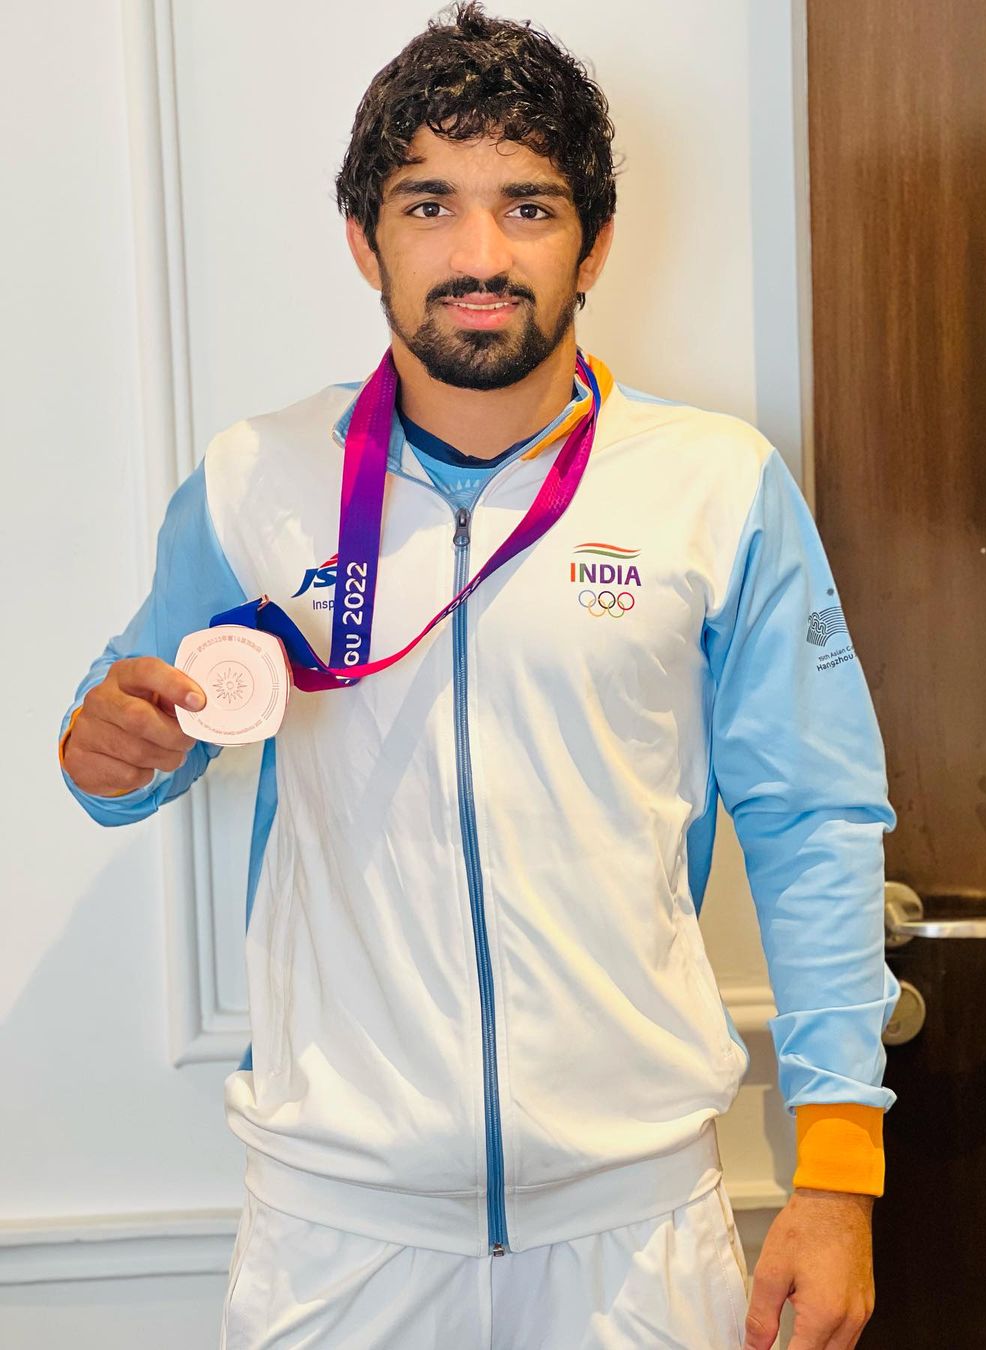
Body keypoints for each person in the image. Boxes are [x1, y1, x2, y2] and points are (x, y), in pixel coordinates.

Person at [58, 5, 899, 1347]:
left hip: (633, 1228)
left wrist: (838, 1171)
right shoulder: (253, 479)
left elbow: (816, 823)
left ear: (594, 242)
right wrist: (105, 749)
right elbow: (121, 744)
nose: (480, 254)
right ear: (364, 239)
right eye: (429, 203)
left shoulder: (715, 484)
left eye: (529, 205)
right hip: (338, 1230)